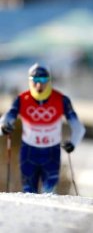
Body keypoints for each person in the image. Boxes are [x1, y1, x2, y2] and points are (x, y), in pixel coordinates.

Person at [0, 63, 85, 193]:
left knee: (49, 192)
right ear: (29, 81)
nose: (39, 85)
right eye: (35, 80)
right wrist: (4, 127)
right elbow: (4, 121)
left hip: (51, 152)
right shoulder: (22, 99)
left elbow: (78, 128)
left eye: (44, 80)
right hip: (29, 151)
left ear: (49, 80)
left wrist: (73, 143)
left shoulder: (61, 100)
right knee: (29, 192)